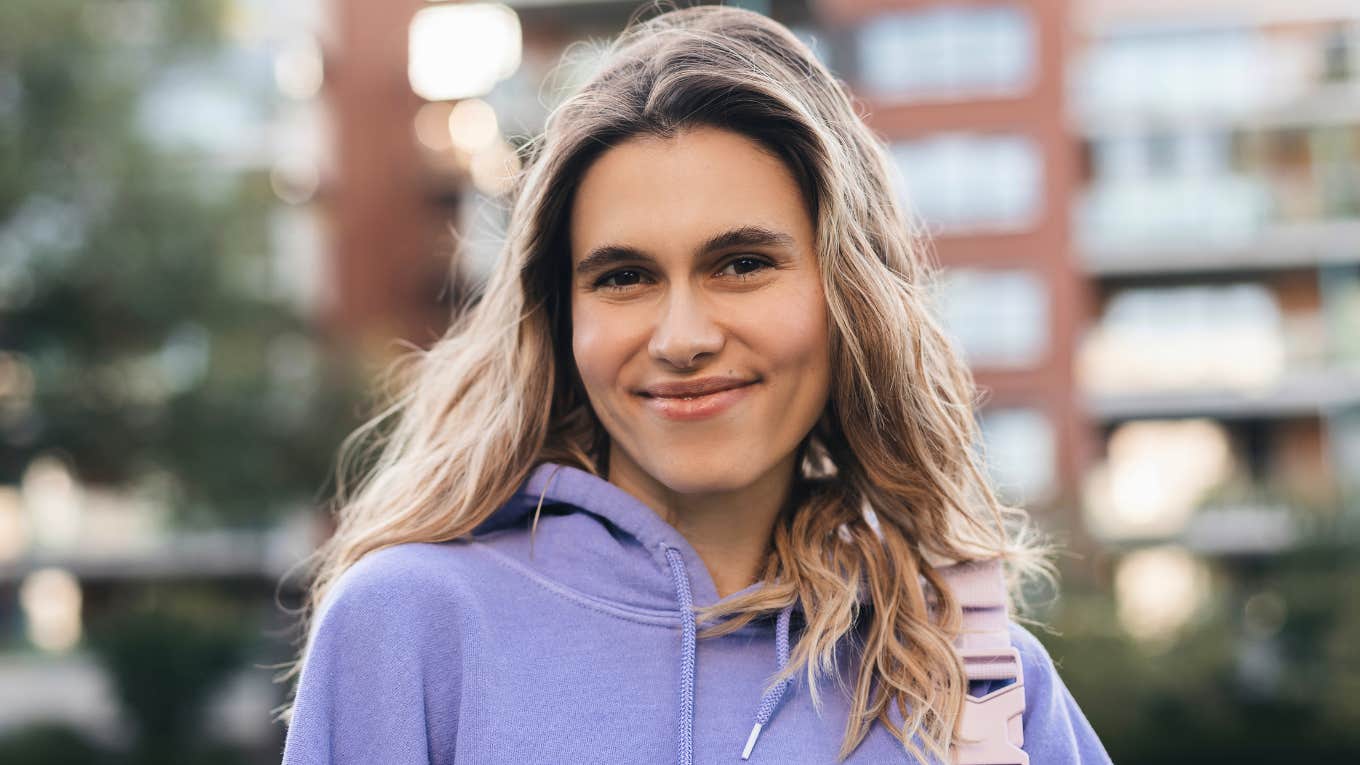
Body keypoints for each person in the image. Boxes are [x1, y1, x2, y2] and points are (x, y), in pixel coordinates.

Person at [277, 4, 1112, 764]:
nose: (682, 339)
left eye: (742, 264)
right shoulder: (410, 629)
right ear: (560, 319)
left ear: (847, 296)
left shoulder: (975, 679)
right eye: (624, 277)